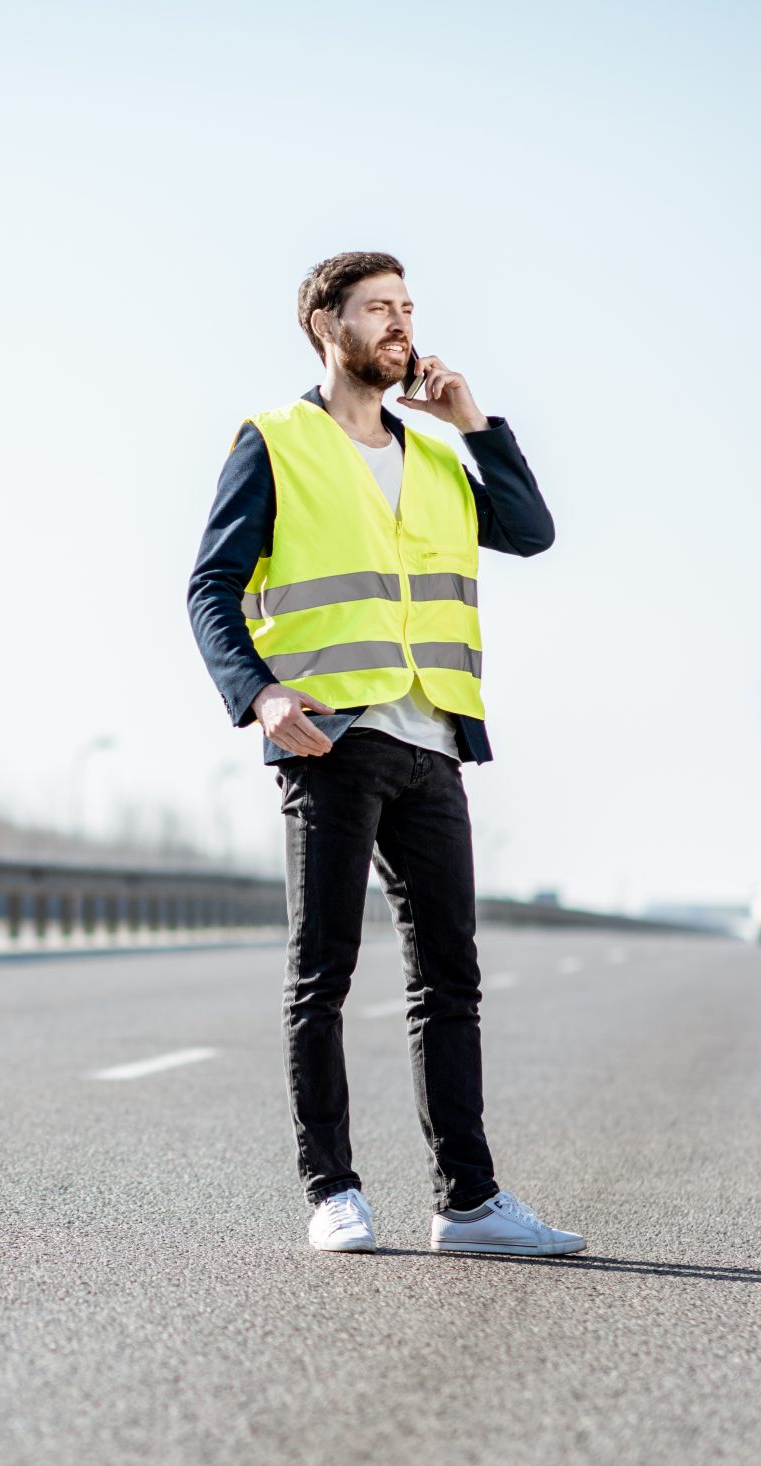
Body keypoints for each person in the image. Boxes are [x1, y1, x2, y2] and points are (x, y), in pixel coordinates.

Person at [185, 250, 585, 1257]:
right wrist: (259, 693)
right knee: (323, 969)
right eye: (378, 309)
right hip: (332, 735)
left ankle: (469, 1201)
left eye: (408, 307)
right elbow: (210, 586)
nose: (400, 325)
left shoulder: (444, 454)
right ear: (328, 325)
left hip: (433, 740)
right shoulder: (275, 441)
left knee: (450, 978)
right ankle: (331, 1188)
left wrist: (475, 420)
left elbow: (531, 531)